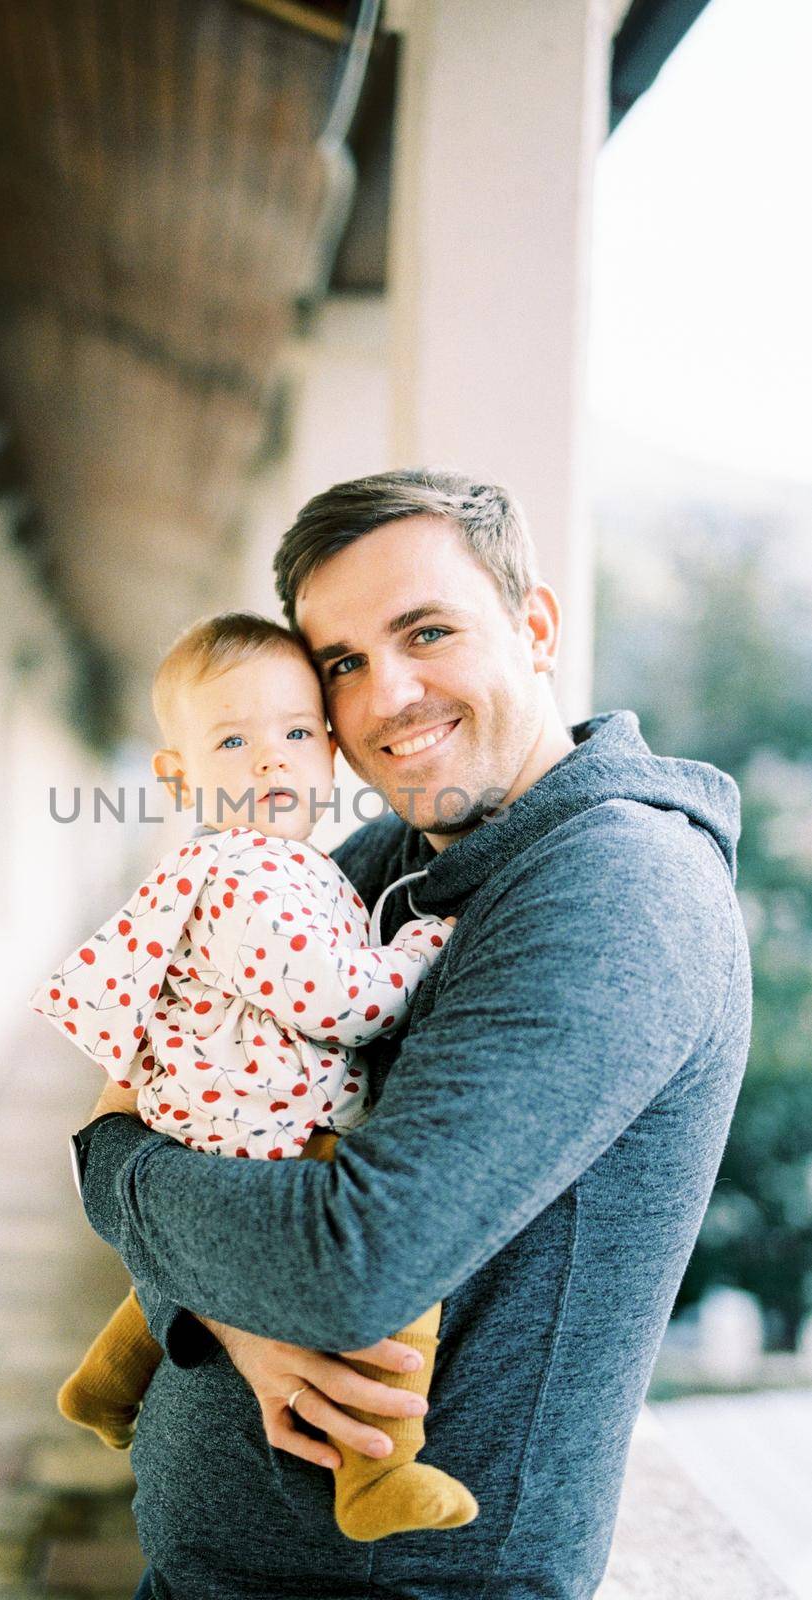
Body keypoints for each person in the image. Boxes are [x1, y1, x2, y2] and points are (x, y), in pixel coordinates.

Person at [72, 469, 752, 1600]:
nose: (386, 696)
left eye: (425, 631)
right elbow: (166, 1076)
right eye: (341, 663)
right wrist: (235, 1316)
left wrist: (113, 1174)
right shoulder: (387, 859)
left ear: (532, 626)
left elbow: (346, 1262)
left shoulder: (616, 889)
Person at [29, 612, 478, 1540]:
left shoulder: (263, 864)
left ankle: (105, 1386)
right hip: (260, 1125)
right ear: (179, 774)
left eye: (296, 733)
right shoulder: (251, 874)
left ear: (329, 748)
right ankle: (376, 1474)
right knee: (410, 1288)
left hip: (212, 1113)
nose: (272, 761)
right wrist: (423, 946)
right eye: (235, 740)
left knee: (193, 1270)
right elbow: (338, 1003)